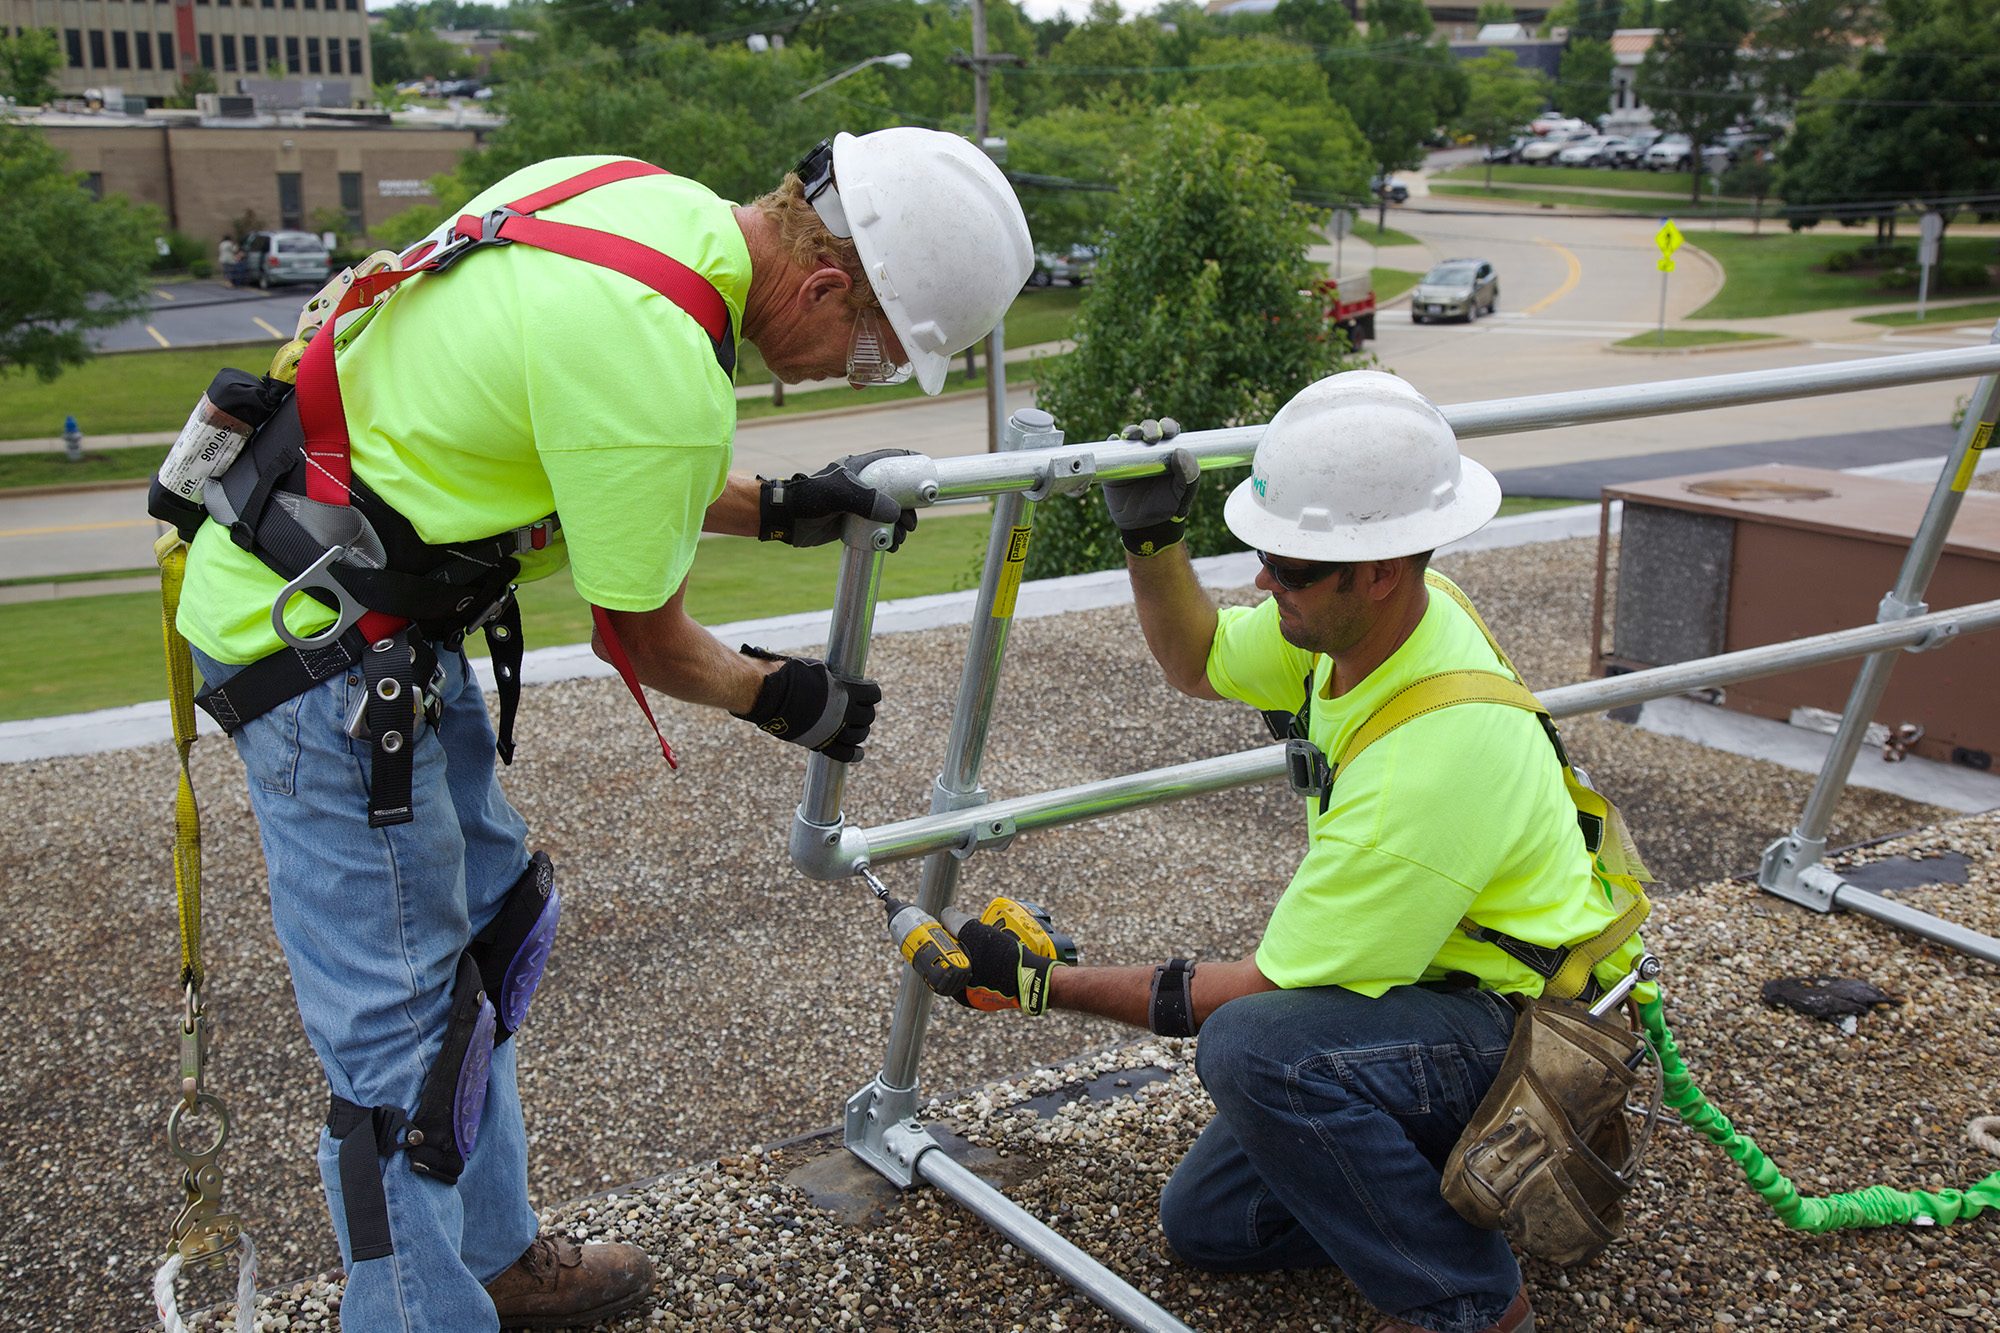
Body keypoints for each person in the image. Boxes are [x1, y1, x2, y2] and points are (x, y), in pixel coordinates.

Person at [172, 130, 1033, 1331]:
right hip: (317, 661)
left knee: (491, 930)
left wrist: (782, 507)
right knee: (397, 1057)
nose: (859, 371)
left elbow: (601, 450)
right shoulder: (662, 362)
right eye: (872, 345)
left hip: (366, 619)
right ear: (828, 282)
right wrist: (792, 700)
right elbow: (647, 640)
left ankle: (495, 1255)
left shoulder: (637, 198)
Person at [940, 371, 1650, 1333]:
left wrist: (1045, 982)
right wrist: (1152, 537)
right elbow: (1194, 660)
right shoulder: (1360, 630)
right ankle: (1449, 1186)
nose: (1265, 579)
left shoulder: (1429, 763)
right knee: (1211, 1223)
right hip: (1441, 992)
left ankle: (1470, 1302)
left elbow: (1259, 994)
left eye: (1292, 564)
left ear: (1382, 568)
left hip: (1521, 1029)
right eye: (1267, 552)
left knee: (1257, 1050)